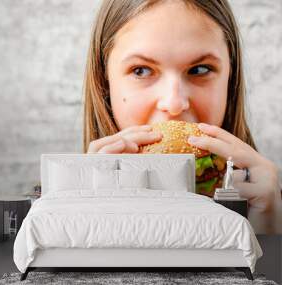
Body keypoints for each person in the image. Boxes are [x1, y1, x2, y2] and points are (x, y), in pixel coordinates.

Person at [82, 0, 281, 233]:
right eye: (141, 70)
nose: (174, 104)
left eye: (199, 70)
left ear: (231, 79)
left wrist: (268, 232)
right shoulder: (54, 211)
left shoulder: (269, 206)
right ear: (104, 82)